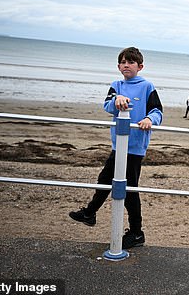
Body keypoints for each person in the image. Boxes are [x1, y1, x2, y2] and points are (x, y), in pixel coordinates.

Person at [69, 47, 163, 249]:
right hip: (118, 144)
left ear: (140, 66)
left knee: (130, 190)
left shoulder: (147, 86)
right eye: (123, 62)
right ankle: (90, 213)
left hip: (135, 147)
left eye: (131, 62)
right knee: (105, 179)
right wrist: (116, 100)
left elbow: (157, 111)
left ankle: (136, 233)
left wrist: (148, 119)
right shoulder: (116, 85)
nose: (126, 65)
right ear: (118, 66)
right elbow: (107, 106)